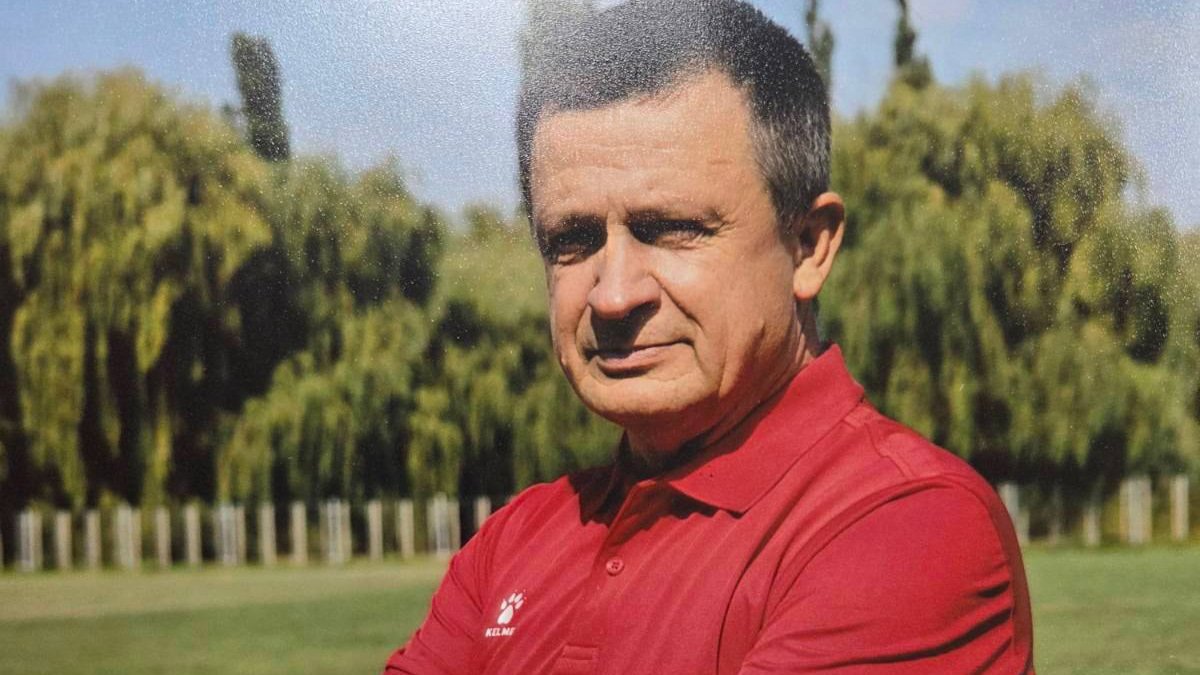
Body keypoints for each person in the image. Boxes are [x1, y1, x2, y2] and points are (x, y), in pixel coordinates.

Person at [384, 0, 1033, 672]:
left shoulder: (903, 521)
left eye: (671, 229)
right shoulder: (513, 541)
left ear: (808, 247)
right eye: (572, 241)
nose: (612, 295)